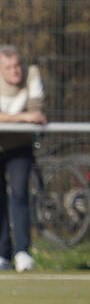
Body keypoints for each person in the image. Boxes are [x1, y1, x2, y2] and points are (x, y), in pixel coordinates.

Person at [0, 45, 46, 272]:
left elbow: (36, 111)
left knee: (19, 195)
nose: (15, 71)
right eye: (8, 67)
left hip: (20, 146)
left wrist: (10, 119)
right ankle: (2, 253)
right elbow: (28, 115)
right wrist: (22, 117)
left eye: (17, 65)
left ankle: (22, 252)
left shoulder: (32, 74)